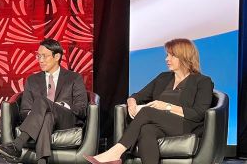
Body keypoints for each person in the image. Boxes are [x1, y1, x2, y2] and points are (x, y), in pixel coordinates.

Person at [85, 38, 214, 164]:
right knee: (147, 130)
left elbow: (199, 114)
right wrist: (131, 103)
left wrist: (166, 106)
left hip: (187, 125)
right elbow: (138, 95)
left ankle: (115, 152)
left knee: (147, 111)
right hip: (162, 124)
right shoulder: (163, 78)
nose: (166, 59)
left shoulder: (203, 81)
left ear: (184, 57)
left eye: (172, 56)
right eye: (167, 55)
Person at [0, 38, 88, 164]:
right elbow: (24, 111)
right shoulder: (32, 80)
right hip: (42, 121)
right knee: (47, 116)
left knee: (42, 101)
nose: (40, 60)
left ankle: (17, 145)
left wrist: (62, 106)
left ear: (57, 56)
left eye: (44, 56)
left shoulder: (74, 78)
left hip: (66, 119)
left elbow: (81, 109)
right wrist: (37, 114)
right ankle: (42, 161)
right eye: (38, 56)